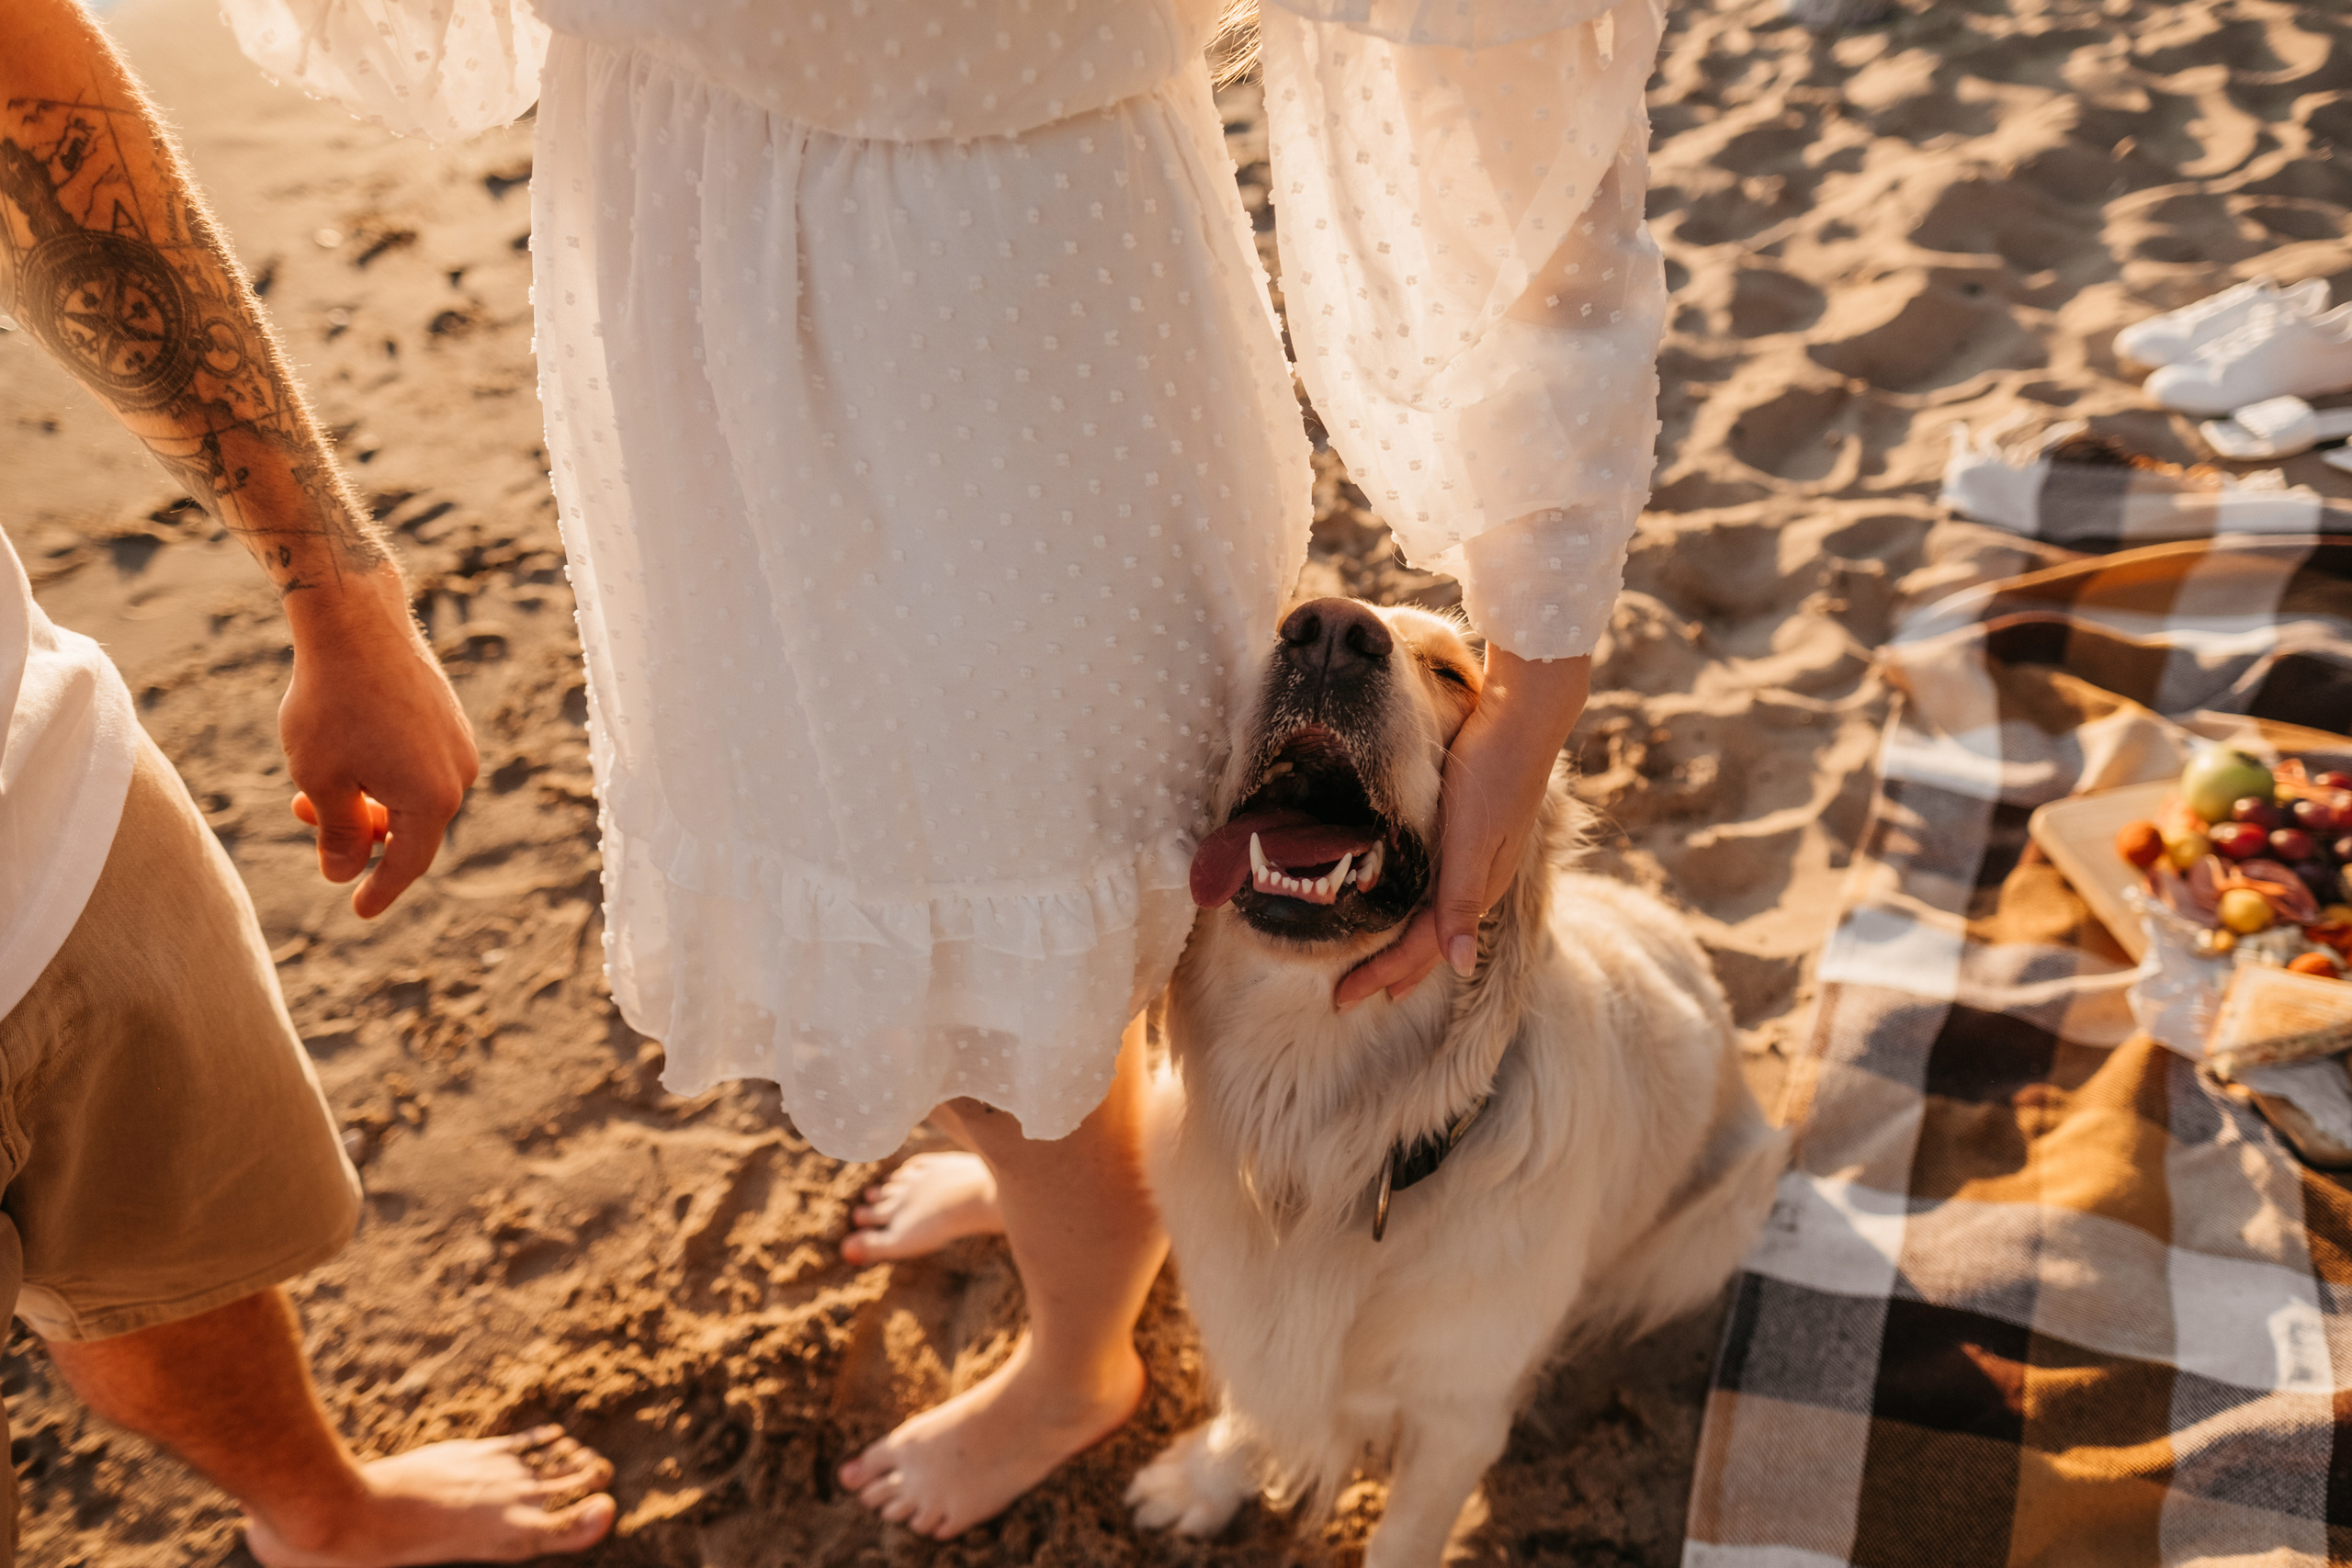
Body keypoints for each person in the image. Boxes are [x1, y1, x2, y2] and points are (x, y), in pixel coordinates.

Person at [220, 0, 1668, 1540]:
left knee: (1025, 950)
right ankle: (1079, 1189)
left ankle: (1079, 1355)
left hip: (1019, 310)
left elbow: (1508, 48)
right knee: (995, 943)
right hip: (689, 298)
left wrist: (1542, 652)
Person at [0, 2, 617, 1561]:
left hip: (32, 807)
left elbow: (16, 86)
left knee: (173, 1234)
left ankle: (320, 1508)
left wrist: (338, 595)